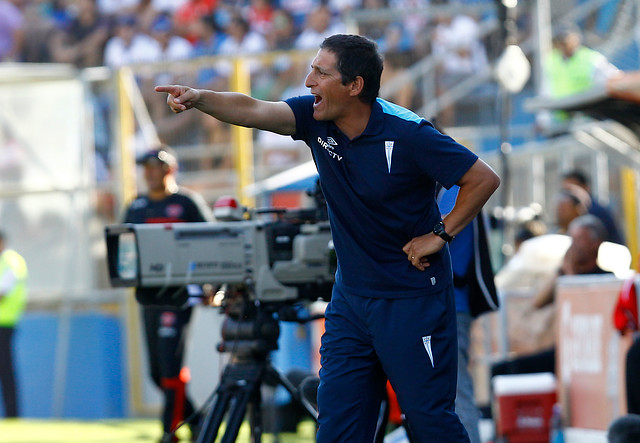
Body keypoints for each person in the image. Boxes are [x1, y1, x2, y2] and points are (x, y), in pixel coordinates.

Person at [155, 34, 500, 442]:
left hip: (413, 300)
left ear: (354, 86)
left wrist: (440, 235)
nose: (308, 82)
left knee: (430, 423)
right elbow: (253, 110)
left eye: (321, 72)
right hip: (351, 301)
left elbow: (482, 178)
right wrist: (200, 98)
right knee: (338, 427)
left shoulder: (409, 133)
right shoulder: (315, 120)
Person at [122, 145, 213, 442]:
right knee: (156, 372)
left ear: (169, 169)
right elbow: (122, 246)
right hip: (149, 295)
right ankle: (198, 421)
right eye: (145, 167)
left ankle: (168, 431)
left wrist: (212, 283)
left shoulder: (186, 203)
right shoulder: (136, 206)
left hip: (180, 293)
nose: (149, 173)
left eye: (155, 167)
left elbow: (212, 241)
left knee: (171, 364)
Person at [492, 214, 611, 378]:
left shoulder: (606, 279)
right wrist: (562, 269)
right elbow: (538, 302)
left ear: (595, 243)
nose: (574, 246)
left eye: (579, 239)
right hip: (563, 349)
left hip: (585, 352)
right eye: (572, 239)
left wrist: (569, 272)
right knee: (502, 370)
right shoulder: (563, 274)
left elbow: (580, 303)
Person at [438, 185, 499, 443]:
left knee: (456, 393)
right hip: (450, 303)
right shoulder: (450, 189)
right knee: (450, 393)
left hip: (448, 304)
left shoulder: (452, 191)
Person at [0, 230, 28, 418]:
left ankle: (13, 415)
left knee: (5, 369)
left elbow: (3, 290)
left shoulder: (11, 261)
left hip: (5, 323)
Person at [561, 168, 625, 245]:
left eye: (571, 190)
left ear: (585, 188)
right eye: (565, 191)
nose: (567, 195)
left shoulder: (595, 212)